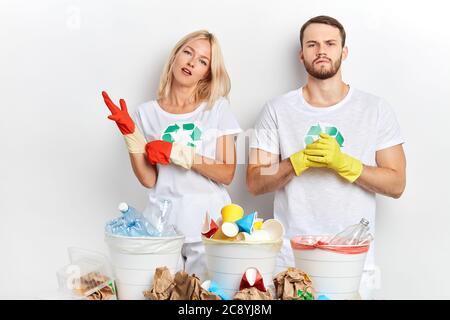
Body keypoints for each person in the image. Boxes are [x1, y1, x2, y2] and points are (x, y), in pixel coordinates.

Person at [247, 16, 406, 298]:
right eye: (312, 44)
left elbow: (396, 184)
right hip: (292, 260)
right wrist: (296, 162)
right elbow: (255, 182)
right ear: (301, 54)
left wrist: (346, 165)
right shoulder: (276, 109)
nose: (321, 50)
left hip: (354, 259)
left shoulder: (375, 108)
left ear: (344, 52)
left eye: (330, 43)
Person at [102, 30, 241, 280]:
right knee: (160, 294)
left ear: (207, 73)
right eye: (188, 52)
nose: (191, 62)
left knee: (206, 298)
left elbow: (227, 172)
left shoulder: (217, 109)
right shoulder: (146, 113)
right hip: (162, 226)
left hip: (207, 225)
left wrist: (178, 153)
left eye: (202, 61)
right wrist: (131, 136)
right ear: (175, 56)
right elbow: (149, 180)